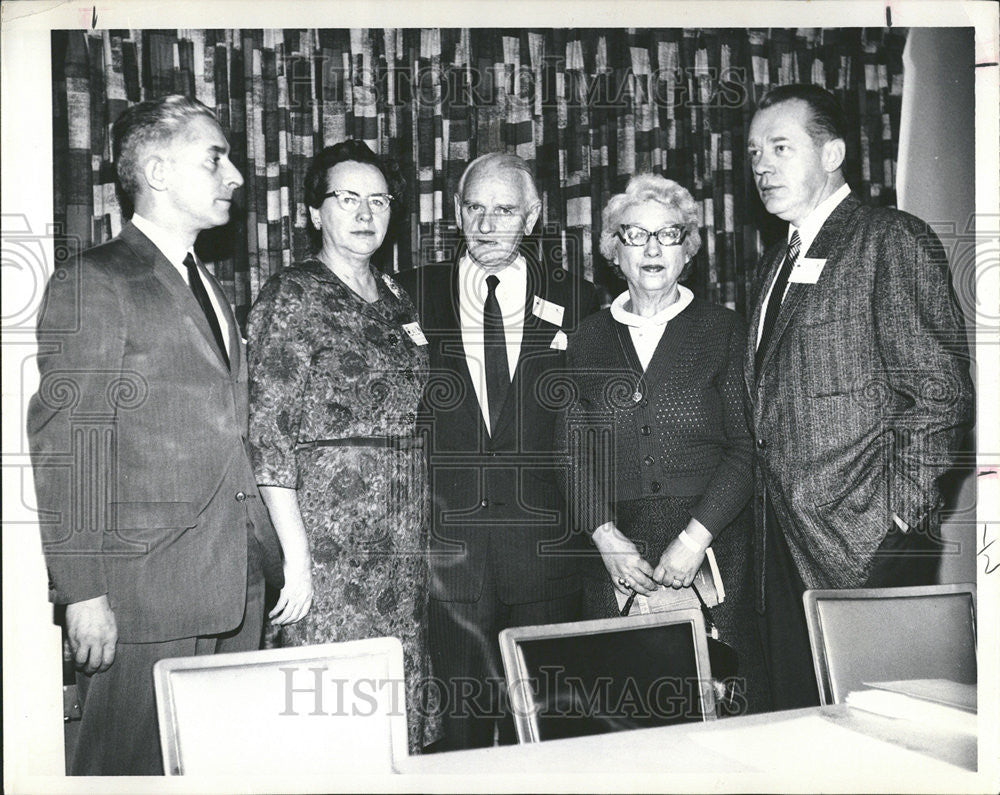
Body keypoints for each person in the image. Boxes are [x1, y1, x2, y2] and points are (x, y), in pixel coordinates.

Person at [26, 95, 284, 775]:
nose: (235, 176)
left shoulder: (209, 284)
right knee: (125, 770)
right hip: (147, 592)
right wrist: (82, 591)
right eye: (216, 157)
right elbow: (70, 447)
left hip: (236, 580)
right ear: (159, 170)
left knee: (224, 770)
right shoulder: (95, 281)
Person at [744, 84, 974, 709]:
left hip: (866, 547)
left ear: (832, 152)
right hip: (782, 546)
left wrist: (897, 524)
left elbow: (939, 393)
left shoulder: (889, 239)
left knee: (882, 734)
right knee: (799, 727)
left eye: (780, 147)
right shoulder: (771, 266)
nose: (761, 164)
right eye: (754, 151)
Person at [397, 153, 600, 749]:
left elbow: (594, 432)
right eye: (475, 209)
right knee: (454, 744)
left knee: (547, 743)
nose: (487, 225)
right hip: (448, 562)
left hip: (547, 560)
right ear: (458, 215)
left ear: (533, 218)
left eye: (505, 211)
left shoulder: (580, 300)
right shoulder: (408, 294)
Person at [246, 140, 440, 752]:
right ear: (313, 213)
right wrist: (295, 557)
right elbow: (269, 433)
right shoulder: (291, 295)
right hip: (325, 544)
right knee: (332, 707)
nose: (365, 213)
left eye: (378, 200)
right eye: (347, 198)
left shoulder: (396, 296)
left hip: (402, 542)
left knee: (394, 695)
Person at [561, 173, 769, 715]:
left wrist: (694, 538)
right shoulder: (585, 339)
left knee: (722, 716)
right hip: (617, 560)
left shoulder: (725, 331)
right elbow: (571, 450)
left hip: (712, 552)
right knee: (628, 721)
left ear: (688, 249)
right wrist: (605, 537)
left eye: (669, 234)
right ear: (613, 249)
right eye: (635, 234)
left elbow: (747, 448)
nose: (652, 249)